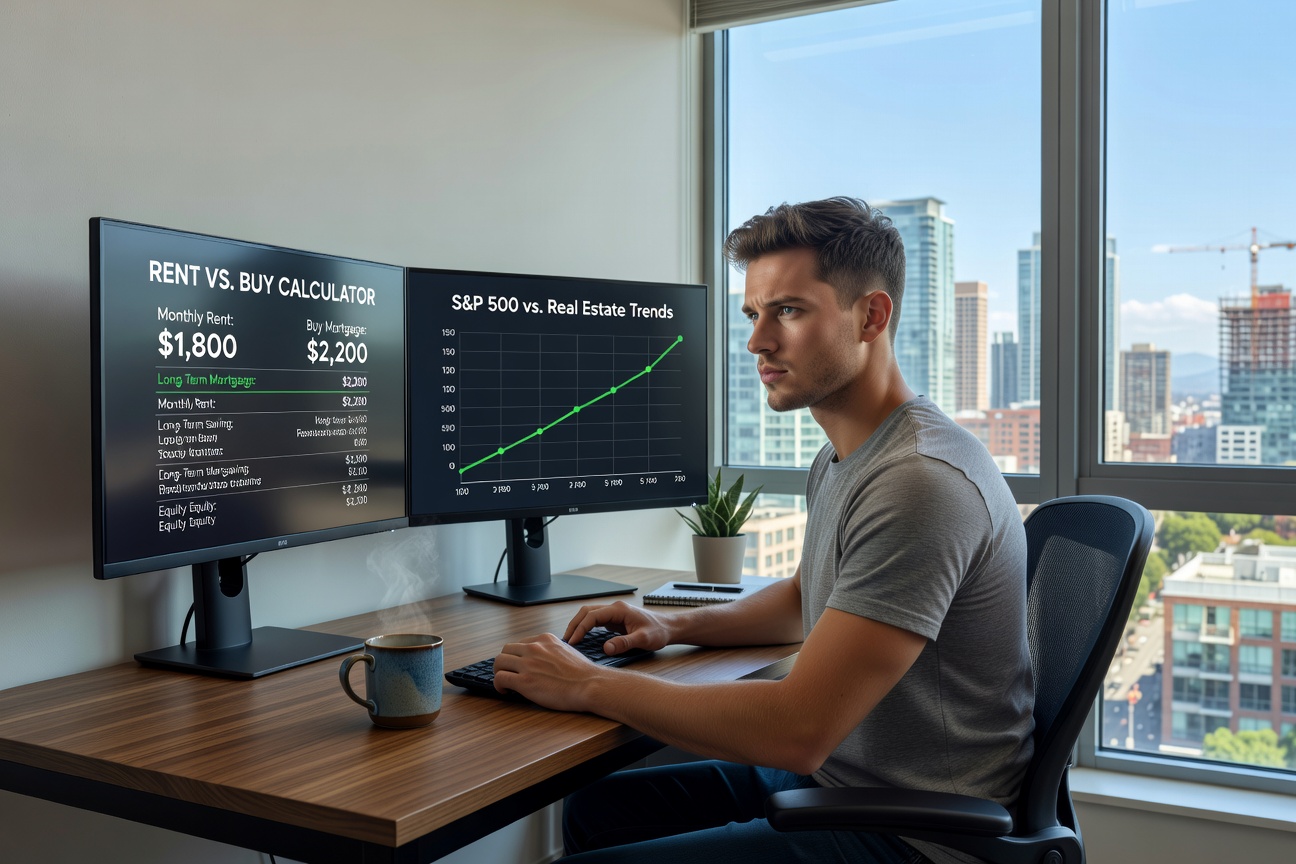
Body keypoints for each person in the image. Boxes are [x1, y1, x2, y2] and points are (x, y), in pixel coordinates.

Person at [491, 197, 1035, 864]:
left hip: (922, 835)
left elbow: (798, 731)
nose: (757, 342)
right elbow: (804, 600)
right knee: (603, 808)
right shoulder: (846, 455)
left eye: (789, 311)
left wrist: (587, 684)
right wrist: (668, 625)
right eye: (754, 314)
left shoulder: (918, 482)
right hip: (847, 779)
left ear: (871, 316)